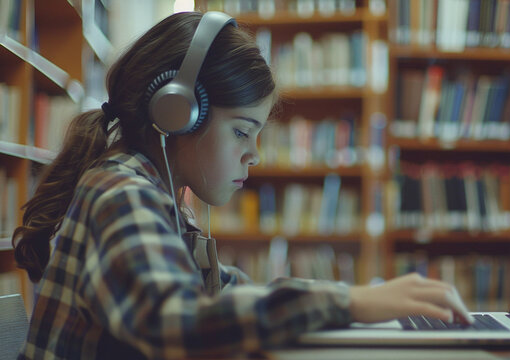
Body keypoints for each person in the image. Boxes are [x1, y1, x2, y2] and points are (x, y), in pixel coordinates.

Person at [12, 11, 473, 359]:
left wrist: (359, 301)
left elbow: (224, 291)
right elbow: (179, 322)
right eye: (241, 131)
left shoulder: (156, 195)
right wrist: (351, 301)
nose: (254, 154)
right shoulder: (119, 193)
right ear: (176, 114)